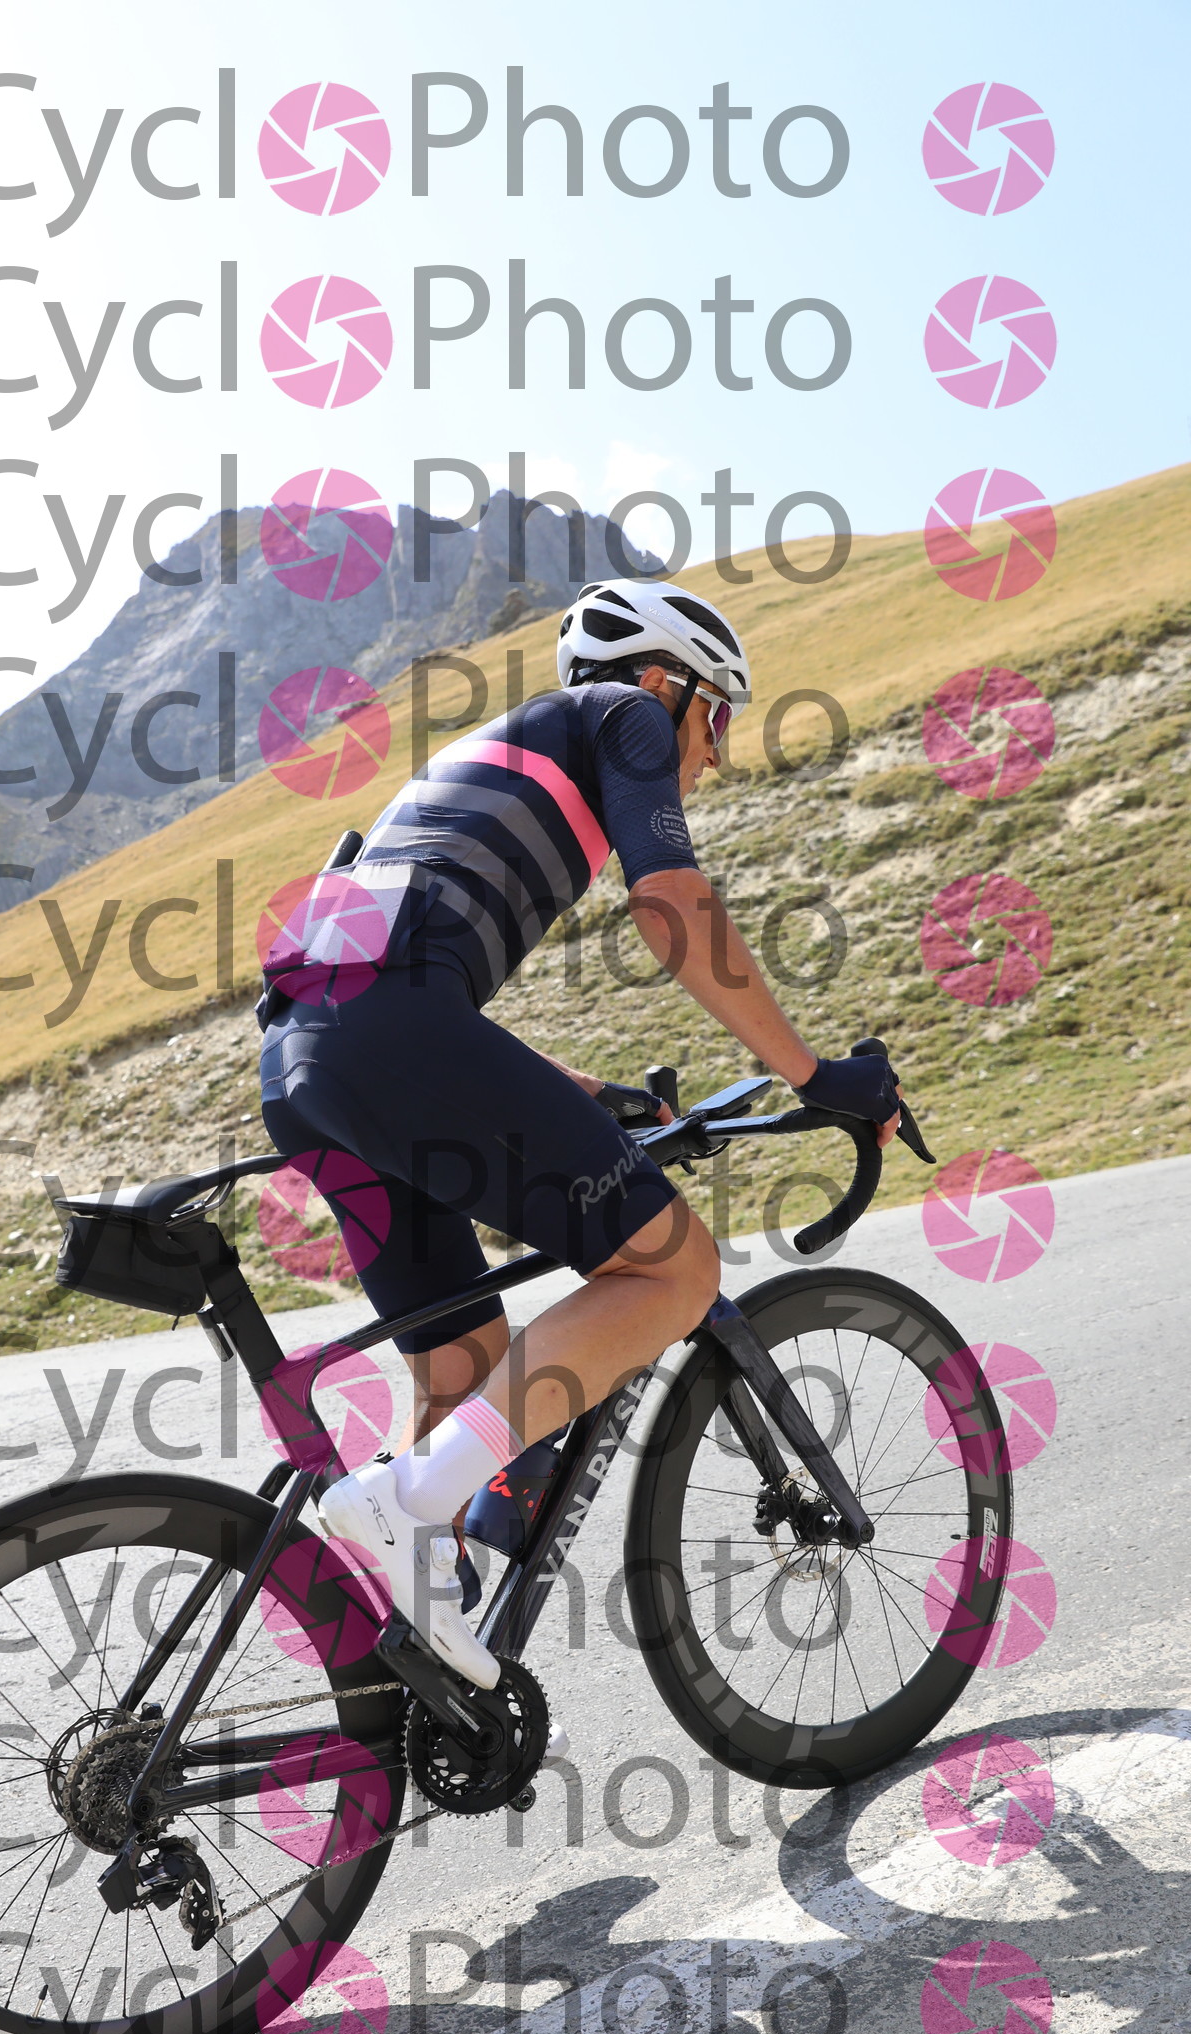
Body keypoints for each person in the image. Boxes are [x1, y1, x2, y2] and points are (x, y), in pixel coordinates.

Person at [258, 578, 901, 1703]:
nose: (711, 754)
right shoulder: (626, 716)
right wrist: (817, 1075)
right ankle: (404, 1503)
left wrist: (596, 1097)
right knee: (672, 1270)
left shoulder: (483, 768)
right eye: (716, 716)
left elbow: (388, 995)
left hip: (305, 1064)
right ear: (665, 682)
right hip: (385, 1035)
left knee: (464, 1370)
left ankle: (412, 1683)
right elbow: (671, 905)